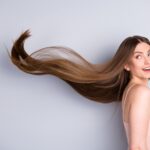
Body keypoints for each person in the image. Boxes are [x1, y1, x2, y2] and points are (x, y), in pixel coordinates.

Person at [8, 30, 150, 150]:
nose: (147, 61)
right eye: (139, 57)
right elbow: (137, 146)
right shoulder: (141, 92)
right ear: (126, 65)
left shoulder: (132, 90)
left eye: (149, 54)